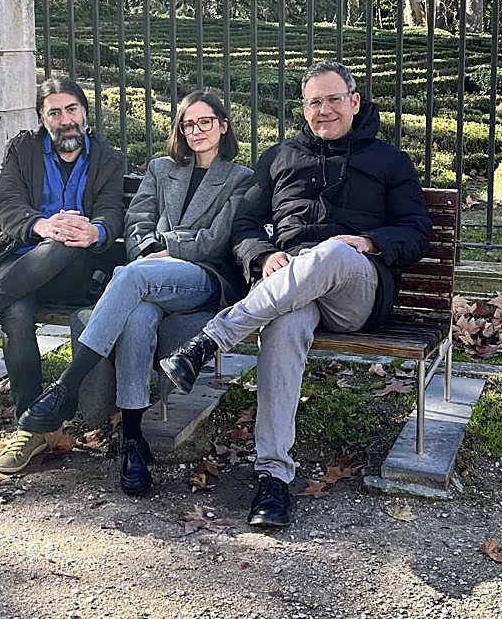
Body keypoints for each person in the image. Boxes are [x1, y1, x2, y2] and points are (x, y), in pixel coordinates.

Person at [158, 60, 431, 529]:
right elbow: (245, 226)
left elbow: (416, 231)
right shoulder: (280, 157)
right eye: (314, 102)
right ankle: (272, 477)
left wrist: (369, 242)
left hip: (356, 287)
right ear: (303, 109)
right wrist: (264, 256)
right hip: (289, 290)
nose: (324, 110)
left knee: (332, 253)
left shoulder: (388, 160)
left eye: (333, 99)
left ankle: (210, 341)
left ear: (354, 102)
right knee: (283, 328)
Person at [12, 91, 253, 494]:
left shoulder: (240, 178)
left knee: (131, 276)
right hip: (146, 273)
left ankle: (67, 386)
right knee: (138, 318)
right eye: (188, 124)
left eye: (205, 122)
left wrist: (166, 248)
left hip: (201, 278)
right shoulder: (161, 169)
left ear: (223, 126)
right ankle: (133, 440)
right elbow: (136, 221)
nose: (196, 130)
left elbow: (216, 240)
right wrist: (148, 250)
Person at [0, 76, 126, 474]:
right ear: (42, 118)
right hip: (17, 265)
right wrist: (40, 225)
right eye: (55, 113)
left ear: (84, 112)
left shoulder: (108, 158)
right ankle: (32, 427)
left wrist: (95, 231)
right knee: (15, 312)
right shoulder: (24, 150)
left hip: (74, 273)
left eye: (72, 109)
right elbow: (4, 204)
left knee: (68, 239)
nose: (65, 120)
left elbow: (112, 211)